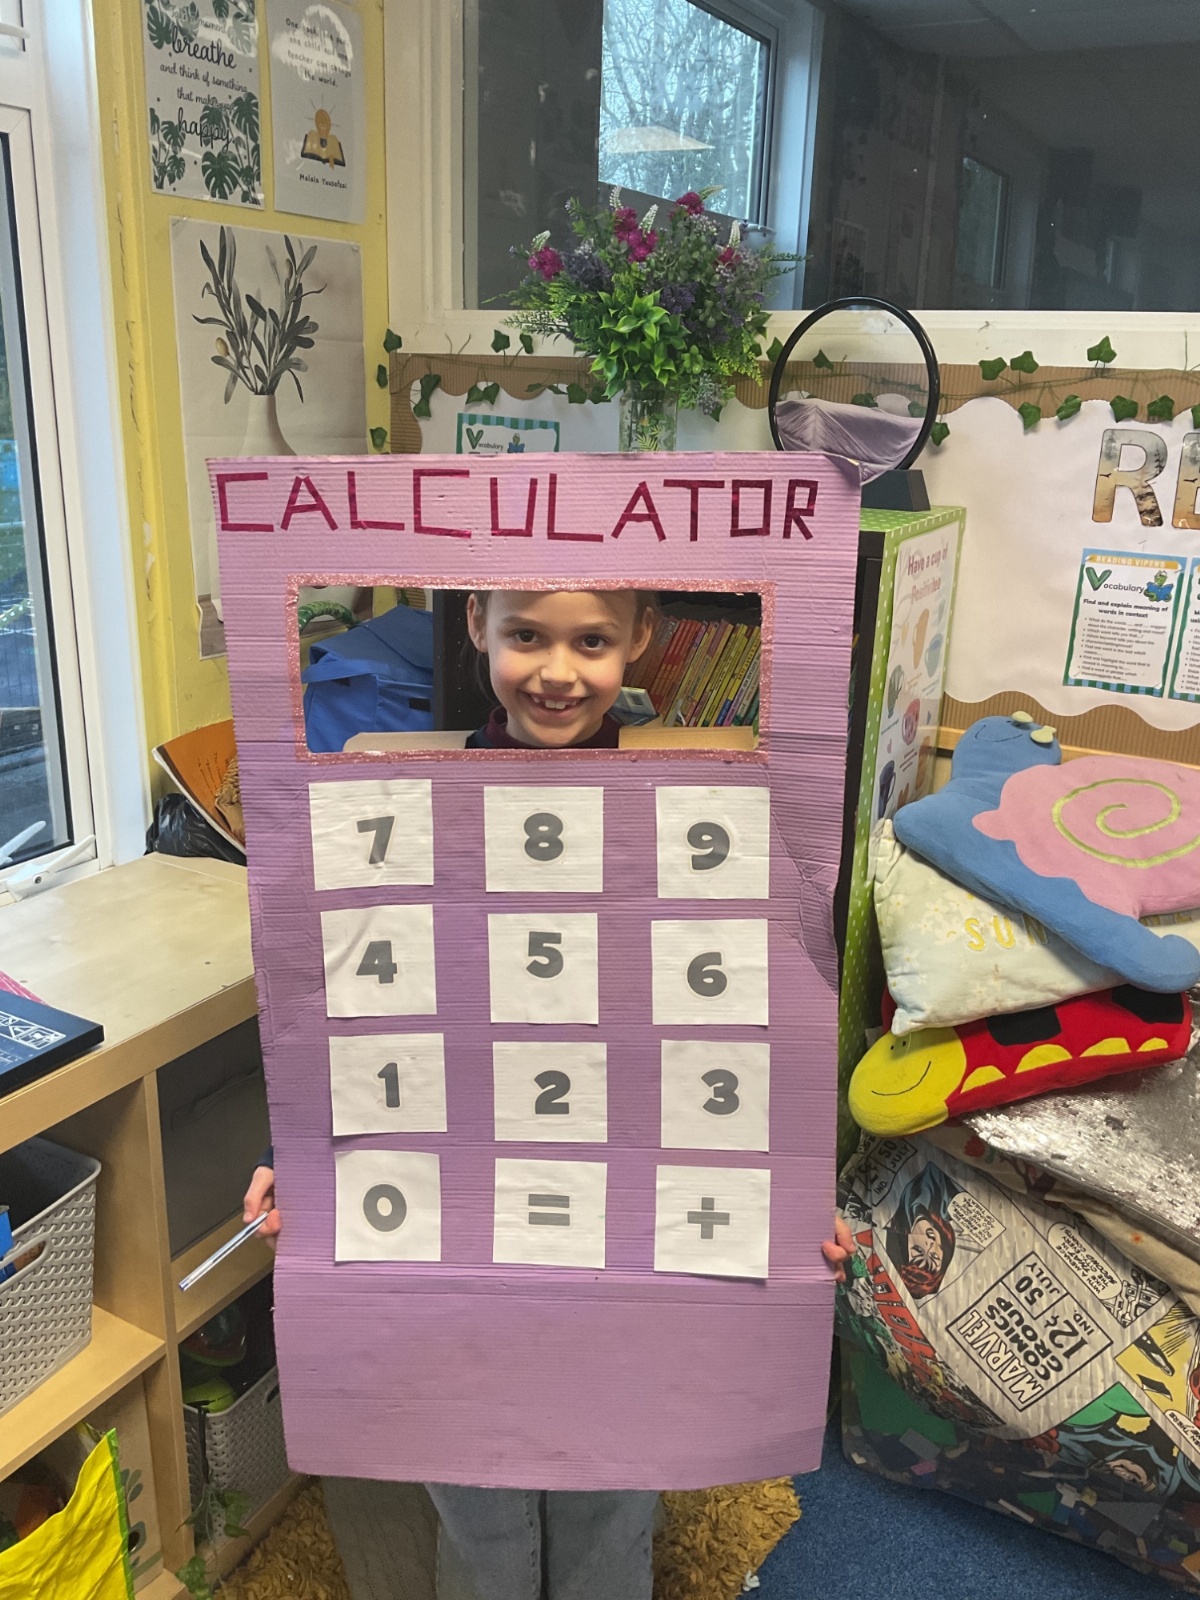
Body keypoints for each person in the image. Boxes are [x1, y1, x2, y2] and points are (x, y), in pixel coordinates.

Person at [244, 586, 857, 1600]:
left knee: (612, 1494)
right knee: (475, 1494)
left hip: (630, 1238)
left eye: (592, 640)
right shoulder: (392, 796)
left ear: (640, 640)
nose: (558, 671)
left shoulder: (710, 800)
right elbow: (348, 1001)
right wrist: (297, 1154)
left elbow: (757, 1020)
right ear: (476, 624)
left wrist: (793, 1196)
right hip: (458, 1230)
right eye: (526, 635)